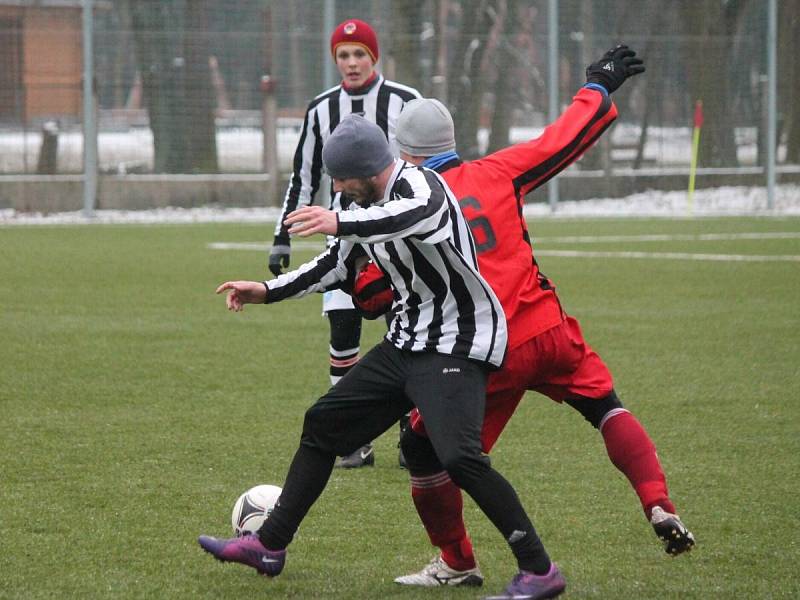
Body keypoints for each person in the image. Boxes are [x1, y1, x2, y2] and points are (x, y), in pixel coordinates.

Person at [352, 45, 695, 592]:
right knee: (606, 406)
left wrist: (359, 281)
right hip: (549, 330)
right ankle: (657, 501)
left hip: (484, 353)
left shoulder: (406, 205)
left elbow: (372, 293)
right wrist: (599, 87)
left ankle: (458, 561)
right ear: (451, 143)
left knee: (424, 447)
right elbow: (562, 138)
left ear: (403, 152)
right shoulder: (499, 172)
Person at [199, 114, 567, 600]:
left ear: (369, 171)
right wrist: (264, 291)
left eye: (341, 178)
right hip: (407, 342)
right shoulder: (356, 204)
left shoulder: (424, 187)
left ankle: (539, 570)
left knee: (460, 457)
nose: (337, 187)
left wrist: (338, 219)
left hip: (457, 342)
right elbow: (333, 263)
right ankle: (269, 546)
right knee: (322, 424)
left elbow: (401, 219)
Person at [268, 18, 421, 469]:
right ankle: (352, 441)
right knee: (342, 326)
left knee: (409, 331)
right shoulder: (320, 109)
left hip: (397, 236)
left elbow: (428, 165)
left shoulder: (404, 101)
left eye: (359, 54)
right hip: (343, 236)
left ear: (374, 57)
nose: (351, 62)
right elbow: (305, 176)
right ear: (334, 59)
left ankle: (414, 435)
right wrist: (282, 236)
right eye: (343, 55)